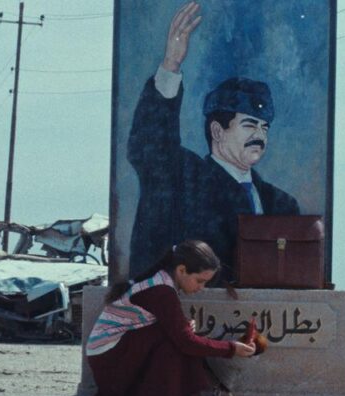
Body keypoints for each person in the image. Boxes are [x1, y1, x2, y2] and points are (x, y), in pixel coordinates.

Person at [127, 1, 299, 284]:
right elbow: (150, 143)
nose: (260, 135)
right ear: (218, 131)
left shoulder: (281, 204)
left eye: (264, 127)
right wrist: (171, 65)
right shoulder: (183, 178)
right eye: (249, 125)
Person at [85, 240, 256, 396]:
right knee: (178, 340)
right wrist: (231, 348)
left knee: (179, 334)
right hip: (111, 362)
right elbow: (186, 342)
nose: (201, 288)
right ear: (181, 270)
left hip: (116, 353)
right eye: (199, 281)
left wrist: (183, 327)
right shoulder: (161, 291)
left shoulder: (164, 283)